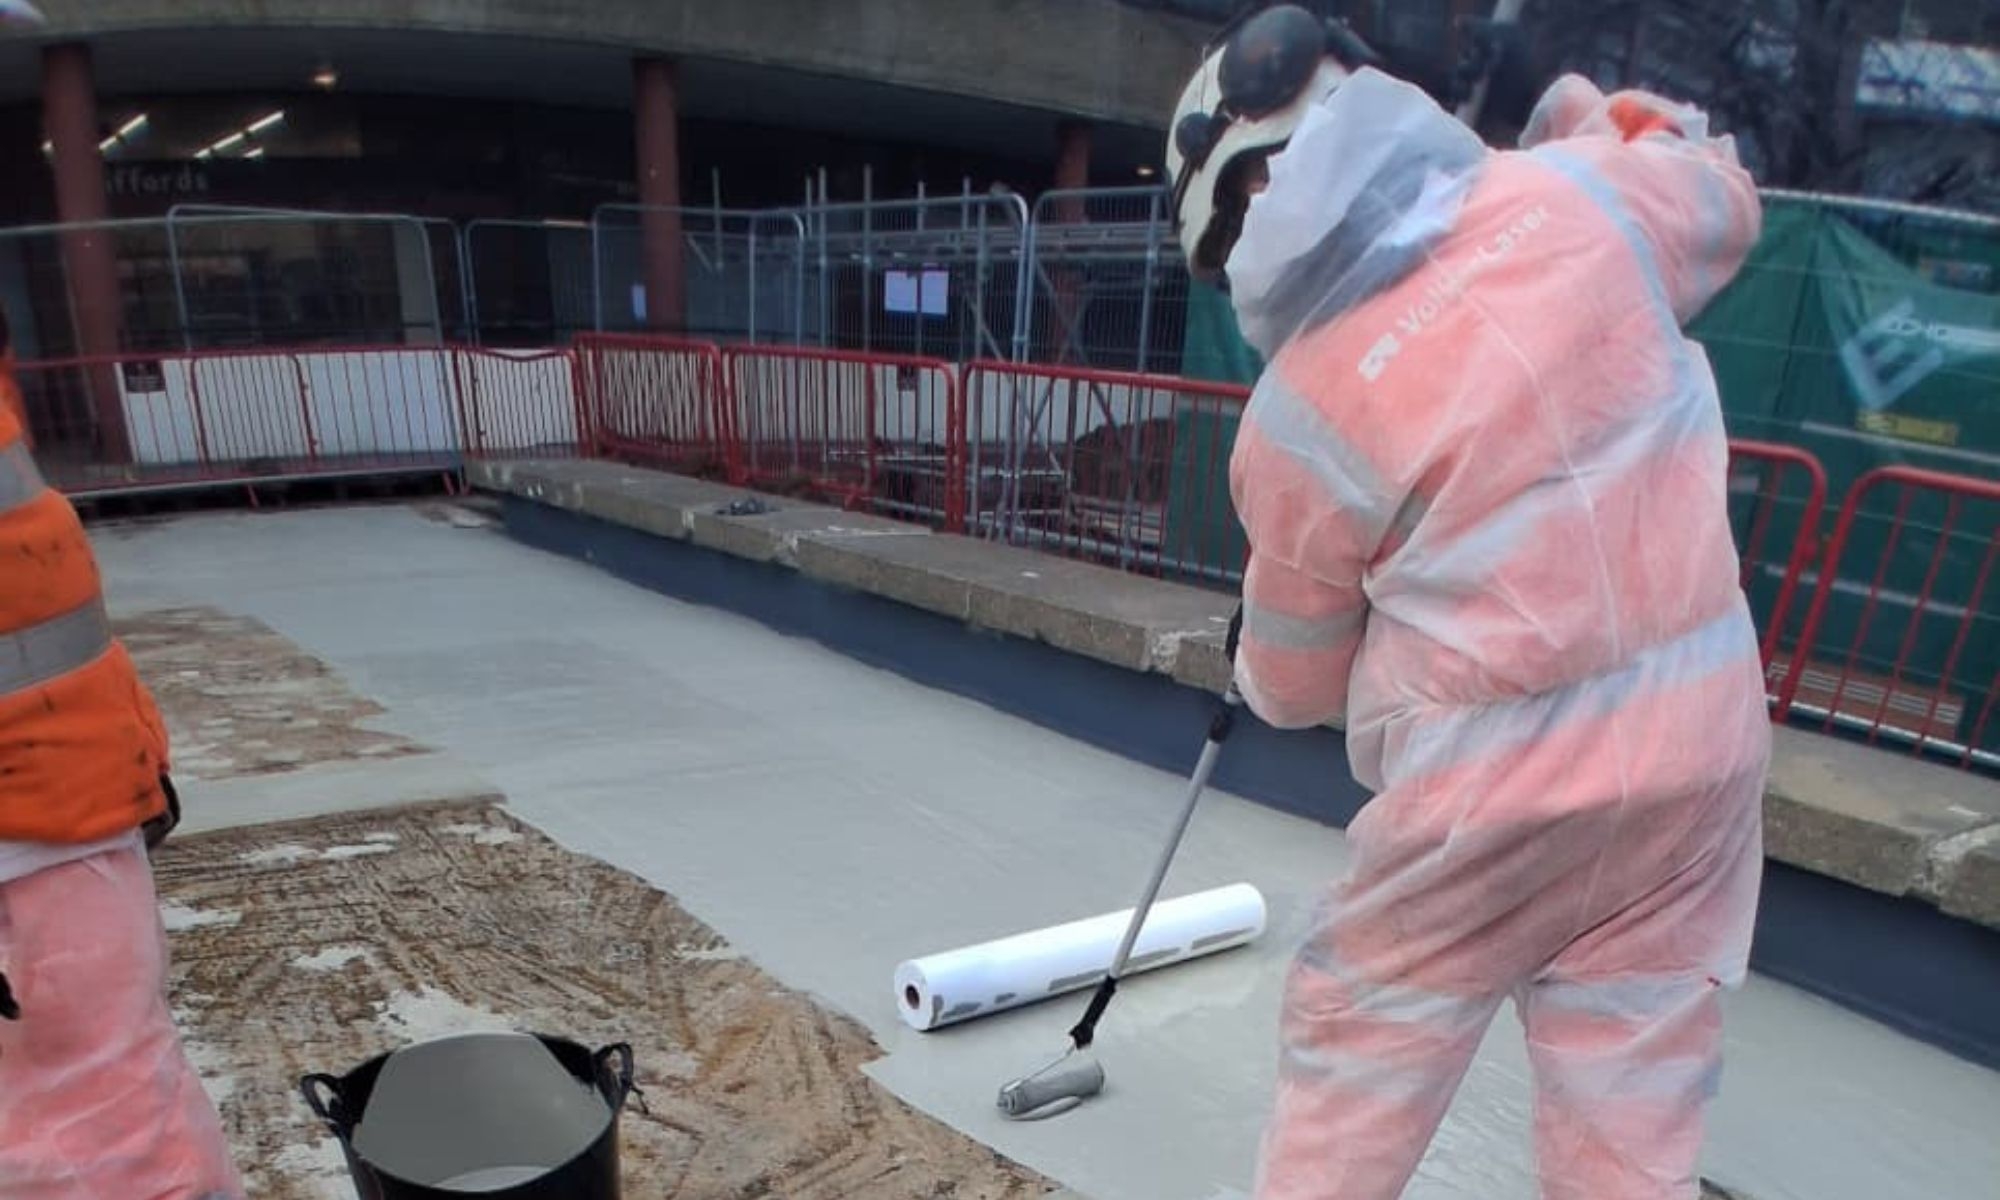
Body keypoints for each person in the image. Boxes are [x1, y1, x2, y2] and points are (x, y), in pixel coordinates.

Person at [1167, 7, 1770, 1199]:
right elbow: (1718, 194)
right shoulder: (1583, 197)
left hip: (1491, 795)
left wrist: (1275, 648)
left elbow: (1287, 685)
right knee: (1627, 1110)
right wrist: (1579, 117)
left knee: (1358, 1046)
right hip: (1696, 754)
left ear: (1229, 220)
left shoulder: (1294, 417)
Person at [0, 300, 242, 1195]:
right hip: (46, 824)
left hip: (69, 803)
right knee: (105, 1115)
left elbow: (51, 614)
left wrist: (134, 748)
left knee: (117, 1096)